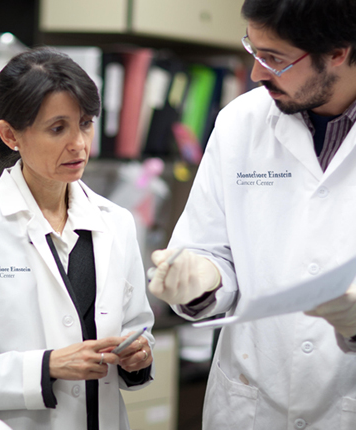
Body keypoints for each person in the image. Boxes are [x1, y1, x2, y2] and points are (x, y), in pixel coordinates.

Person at [148, 0, 356, 429]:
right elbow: (208, 247)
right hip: (250, 404)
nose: (257, 74)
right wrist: (201, 278)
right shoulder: (240, 123)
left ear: (339, 52)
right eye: (254, 50)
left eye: (275, 58)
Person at [0, 47, 154, 430]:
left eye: (86, 123)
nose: (79, 144)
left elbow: (139, 325)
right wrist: (46, 366)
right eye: (58, 128)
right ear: (11, 135)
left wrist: (139, 354)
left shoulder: (117, 223)